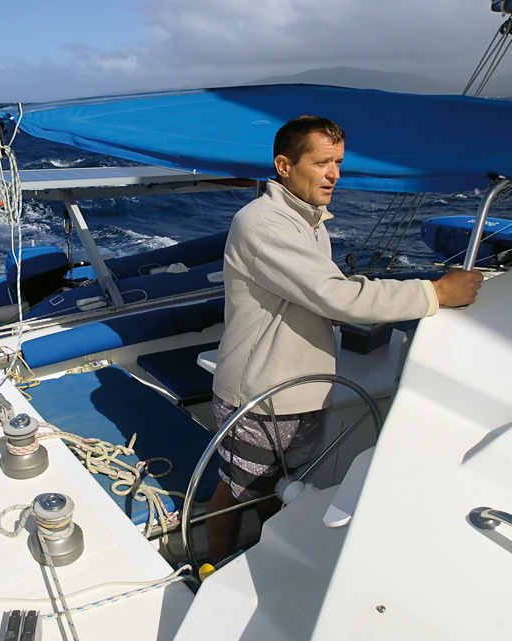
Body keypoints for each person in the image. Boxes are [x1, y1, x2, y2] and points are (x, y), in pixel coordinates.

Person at [206, 115, 483, 564]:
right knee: (235, 493)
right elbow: (336, 297)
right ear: (284, 165)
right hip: (261, 395)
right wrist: (433, 292)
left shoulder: (309, 220)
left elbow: (314, 289)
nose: (334, 173)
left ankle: (264, 562)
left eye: (338, 162)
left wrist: (330, 304)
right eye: (322, 162)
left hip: (303, 390)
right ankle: (213, 572)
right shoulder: (265, 223)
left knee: (281, 488)